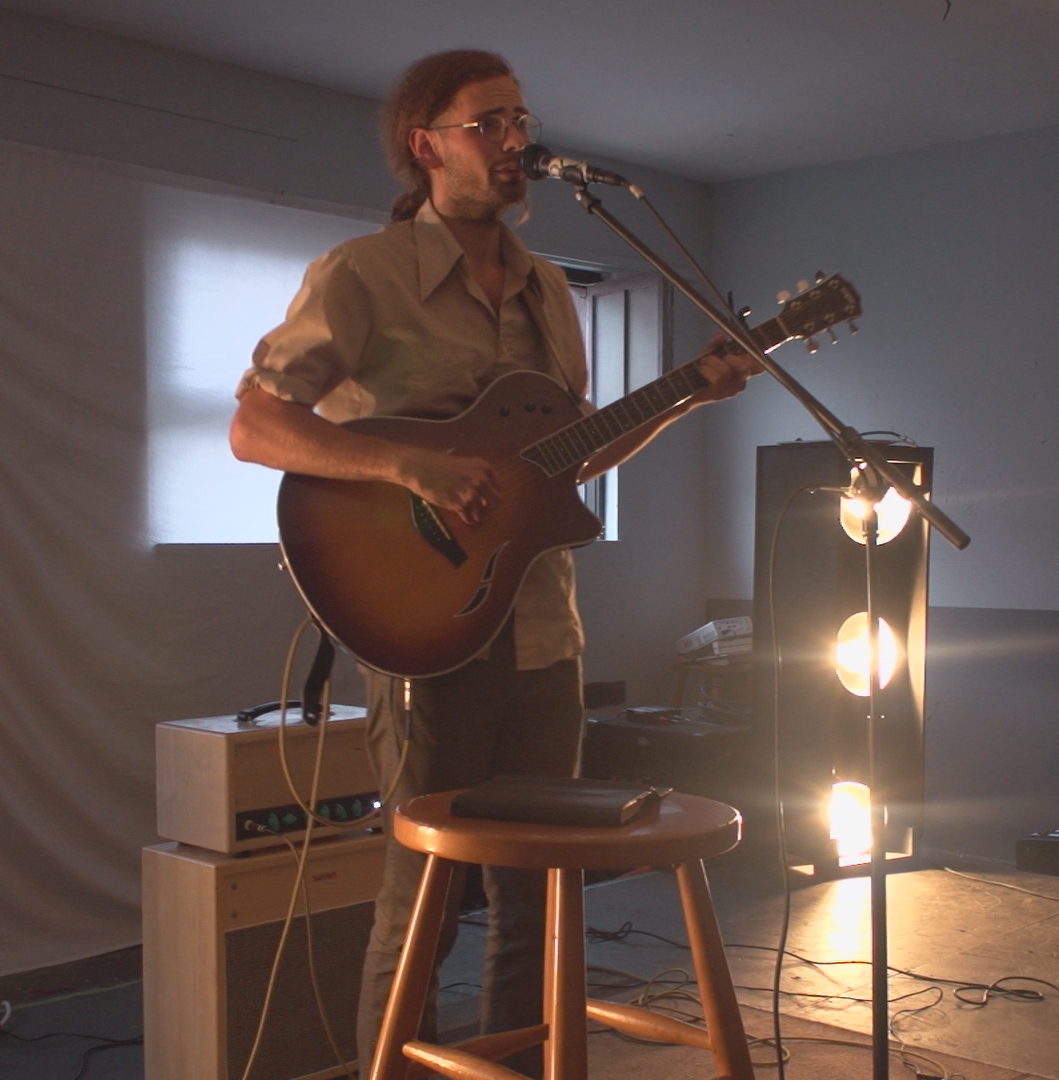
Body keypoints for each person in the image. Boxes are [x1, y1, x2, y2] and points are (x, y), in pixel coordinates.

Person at [229, 49, 761, 1078]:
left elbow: (567, 460)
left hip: (543, 632)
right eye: (488, 124)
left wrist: (691, 391)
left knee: (540, 891)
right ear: (426, 146)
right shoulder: (362, 276)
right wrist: (409, 466)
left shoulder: (551, 289)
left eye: (520, 120)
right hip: (425, 632)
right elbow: (256, 425)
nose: (515, 141)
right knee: (422, 900)